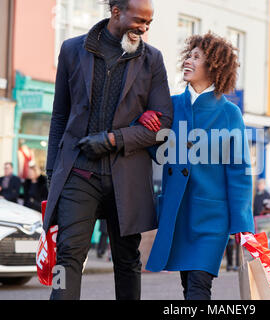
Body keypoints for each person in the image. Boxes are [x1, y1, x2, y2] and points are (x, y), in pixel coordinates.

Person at [44, 0, 173, 300]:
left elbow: (163, 123)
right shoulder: (71, 50)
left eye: (149, 23)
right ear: (116, 12)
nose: (144, 28)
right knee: (67, 258)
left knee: (128, 261)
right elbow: (60, 115)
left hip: (127, 177)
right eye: (139, 20)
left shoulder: (152, 59)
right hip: (78, 172)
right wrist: (53, 171)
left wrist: (113, 139)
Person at [144, 32, 254, 300]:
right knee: (187, 288)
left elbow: (239, 171)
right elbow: (158, 153)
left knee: (198, 287)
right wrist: (147, 125)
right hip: (178, 213)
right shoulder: (171, 105)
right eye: (188, 55)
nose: (189, 61)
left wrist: (243, 225)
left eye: (197, 57)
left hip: (211, 220)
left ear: (214, 66)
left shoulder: (229, 113)